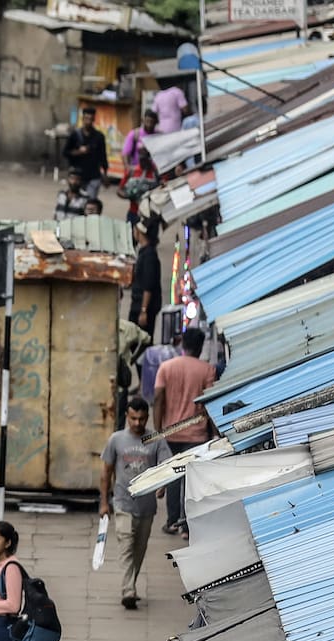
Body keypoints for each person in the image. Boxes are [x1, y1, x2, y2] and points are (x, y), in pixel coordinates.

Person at [101, 399, 172, 610]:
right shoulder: (116, 440)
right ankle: (128, 590)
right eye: (133, 418)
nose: (137, 423)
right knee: (126, 546)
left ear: (147, 418)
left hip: (147, 506)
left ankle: (130, 583)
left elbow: (166, 466)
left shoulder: (156, 439)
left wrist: (162, 485)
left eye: (141, 419)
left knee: (139, 549)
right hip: (123, 502)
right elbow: (106, 472)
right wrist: (104, 502)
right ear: (127, 417)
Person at [151, 328, 216, 537]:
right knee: (191, 480)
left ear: (182, 344)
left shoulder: (166, 367)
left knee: (173, 476)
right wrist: (215, 433)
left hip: (170, 431)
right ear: (200, 347)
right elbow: (209, 403)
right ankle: (187, 526)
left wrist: (158, 431)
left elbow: (158, 399)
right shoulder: (207, 370)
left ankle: (172, 521)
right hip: (196, 433)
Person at [127, 222, 161, 335]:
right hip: (138, 305)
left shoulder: (149, 256)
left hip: (142, 308)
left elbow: (148, 286)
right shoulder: (144, 252)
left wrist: (143, 311)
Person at [62, 108, 108, 187]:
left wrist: (105, 173)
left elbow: (103, 156)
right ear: (82, 119)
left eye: (90, 119)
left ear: (93, 120)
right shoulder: (74, 135)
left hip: (94, 176)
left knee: (91, 195)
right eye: (86, 119)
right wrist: (78, 152)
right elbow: (65, 152)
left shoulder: (99, 137)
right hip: (77, 176)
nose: (88, 122)